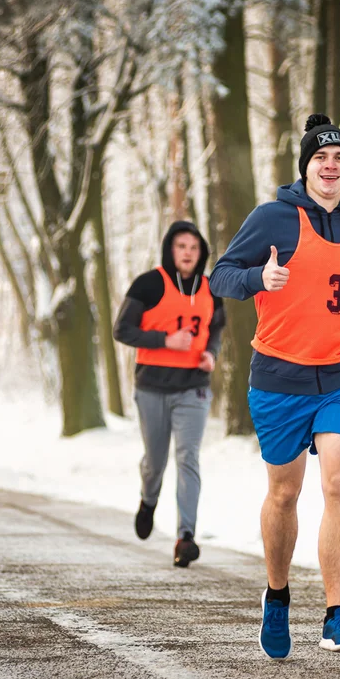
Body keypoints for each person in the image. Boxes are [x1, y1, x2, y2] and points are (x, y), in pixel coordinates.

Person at [210, 114, 340, 661]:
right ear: (305, 167)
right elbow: (221, 275)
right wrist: (259, 278)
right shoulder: (273, 218)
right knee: (285, 493)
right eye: (320, 159)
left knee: (338, 485)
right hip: (280, 375)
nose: (330, 167)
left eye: (339, 159)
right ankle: (278, 595)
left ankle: (337, 614)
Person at [113, 220, 226, 568]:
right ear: (170, 250)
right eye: (181, 247)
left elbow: (216, 328)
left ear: (201, 253)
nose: (188, 253)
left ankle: (185, 537)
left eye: (194, 248)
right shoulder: (149, 284)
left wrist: (211, 354)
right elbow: (122, 329)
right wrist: (164, 340)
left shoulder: (211, 289)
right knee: (156, 461)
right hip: (151, 388)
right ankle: (148, 500)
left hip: (193, 388)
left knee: (187, 457)